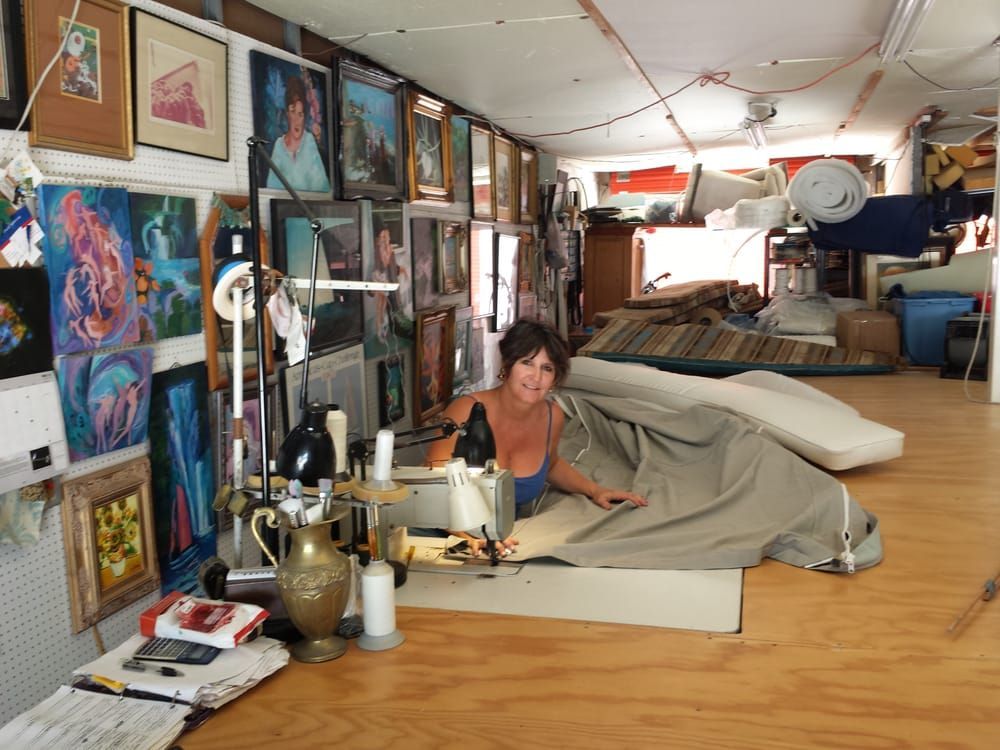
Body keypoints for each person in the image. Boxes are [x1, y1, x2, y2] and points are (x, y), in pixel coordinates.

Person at [426, 319, 647, 556]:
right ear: (507, 365)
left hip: (501, 545)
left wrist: (594, 490)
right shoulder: (465, 411)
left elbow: (550, 464)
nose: (536, 377)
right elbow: (435, 490)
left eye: (547, 368)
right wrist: (471, 535)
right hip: (442, 539)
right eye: (527, 363)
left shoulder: (552, 416)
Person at [266, 75, 330, 193]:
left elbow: (321, 187)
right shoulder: (279, 145)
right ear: (287, 113)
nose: (297, 119)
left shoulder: (309, 141)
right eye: (293, 112)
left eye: (300, 114)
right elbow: (272, 188)